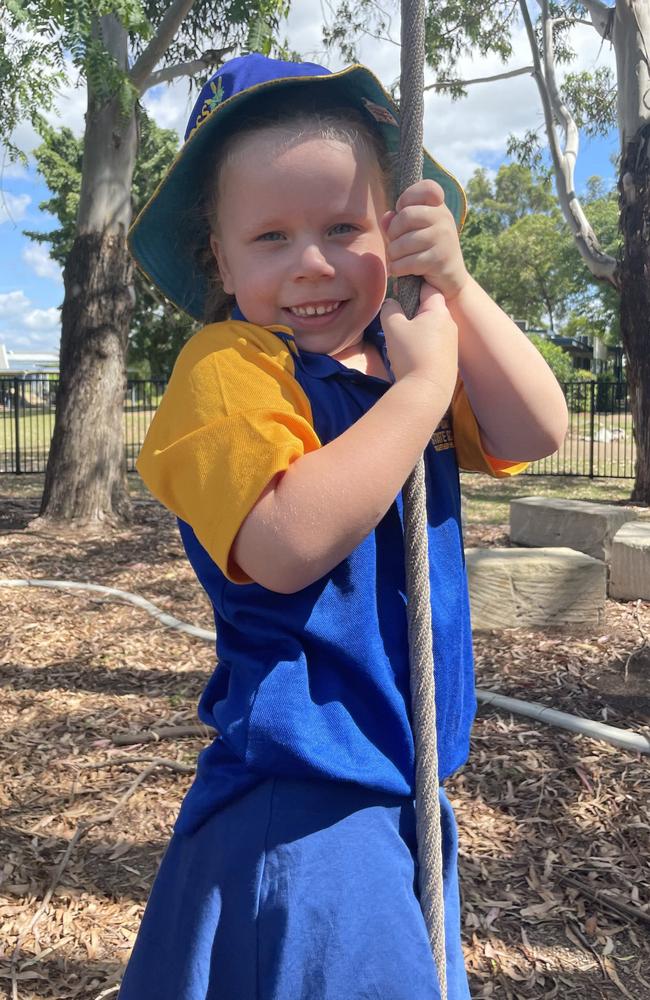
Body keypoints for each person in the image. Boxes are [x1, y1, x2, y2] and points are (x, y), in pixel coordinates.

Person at [119, 53, 568, 1000]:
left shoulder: (401, 353)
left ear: (392, 236)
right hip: (303, 792)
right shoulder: (229, 368)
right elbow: (284, 543)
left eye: (343, 227)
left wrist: (457, 287)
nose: (313, 263)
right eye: (271, 236)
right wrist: (424, 390)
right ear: (220, 258)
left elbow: (539, 426)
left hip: (404, 789)